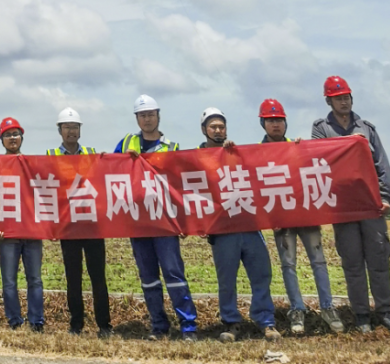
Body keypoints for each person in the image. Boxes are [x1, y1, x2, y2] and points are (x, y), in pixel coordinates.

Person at [311, 75, 390, 334]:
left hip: (371, 204)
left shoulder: (367, 128)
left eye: (347, 97)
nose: (344, 101)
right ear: (329, 101)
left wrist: (385, 198)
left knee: (379, 258)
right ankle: (361, 314)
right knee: (352, 262)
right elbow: (317, 159)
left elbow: (382, 165)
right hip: (343, 207)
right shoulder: (321, 129)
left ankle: (384, 310)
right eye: (339, 98)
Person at [115, 95, 198, 342]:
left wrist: (184, 221)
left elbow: (180, 185)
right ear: (136, 118)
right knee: (148, 277)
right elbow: (111, 173)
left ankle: (188, 327)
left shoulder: (171, 147)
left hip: (164, 222)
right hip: (138, 222)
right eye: (142, 115)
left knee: (173, 274)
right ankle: (159, 326)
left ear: (158, 116)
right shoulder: (125, 143)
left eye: (151, 114)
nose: (147, 119)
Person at [259, 97, 342, 335]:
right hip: (281, 218)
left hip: (305, 214)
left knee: (319, 261)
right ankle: (297, 309)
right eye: (271, 120)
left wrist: (303, 150)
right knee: (288, 264)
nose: (276, 125)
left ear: (285, 123)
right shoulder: (257, 152)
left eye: (279, 120)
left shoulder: (298, 146)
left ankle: (328, 306)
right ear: (263, 124)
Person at [197, 108, 279, 343]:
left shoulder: (235, 152)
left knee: (261, 273)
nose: (218, 130)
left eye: (221, 126)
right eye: (213, 126)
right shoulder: (196, 158)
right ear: (204, 130)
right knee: (227, 279)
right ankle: (231, 323)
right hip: (222, 230)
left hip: (248, 225)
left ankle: (266, 321)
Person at [48, 107, 111, 337]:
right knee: (73, 277)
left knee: (98, 277)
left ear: (80, 130)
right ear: (60, 130)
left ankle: (104, 325)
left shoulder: (92, 153)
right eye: (67, 127)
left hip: (93, 225)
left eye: (75, 127)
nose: (71, 131)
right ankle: (76, 325)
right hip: (68, 226)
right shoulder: (49, 155)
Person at [0, 117, 44, 332]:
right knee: (9, 280)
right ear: (2, 140)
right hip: (7, 233)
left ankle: (36, 322)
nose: (12, 138)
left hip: (32, 231)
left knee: (34, 279)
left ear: (22, 137)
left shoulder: (33, 164)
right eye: (7, 135)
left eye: (15, 134)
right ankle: (14, 320)